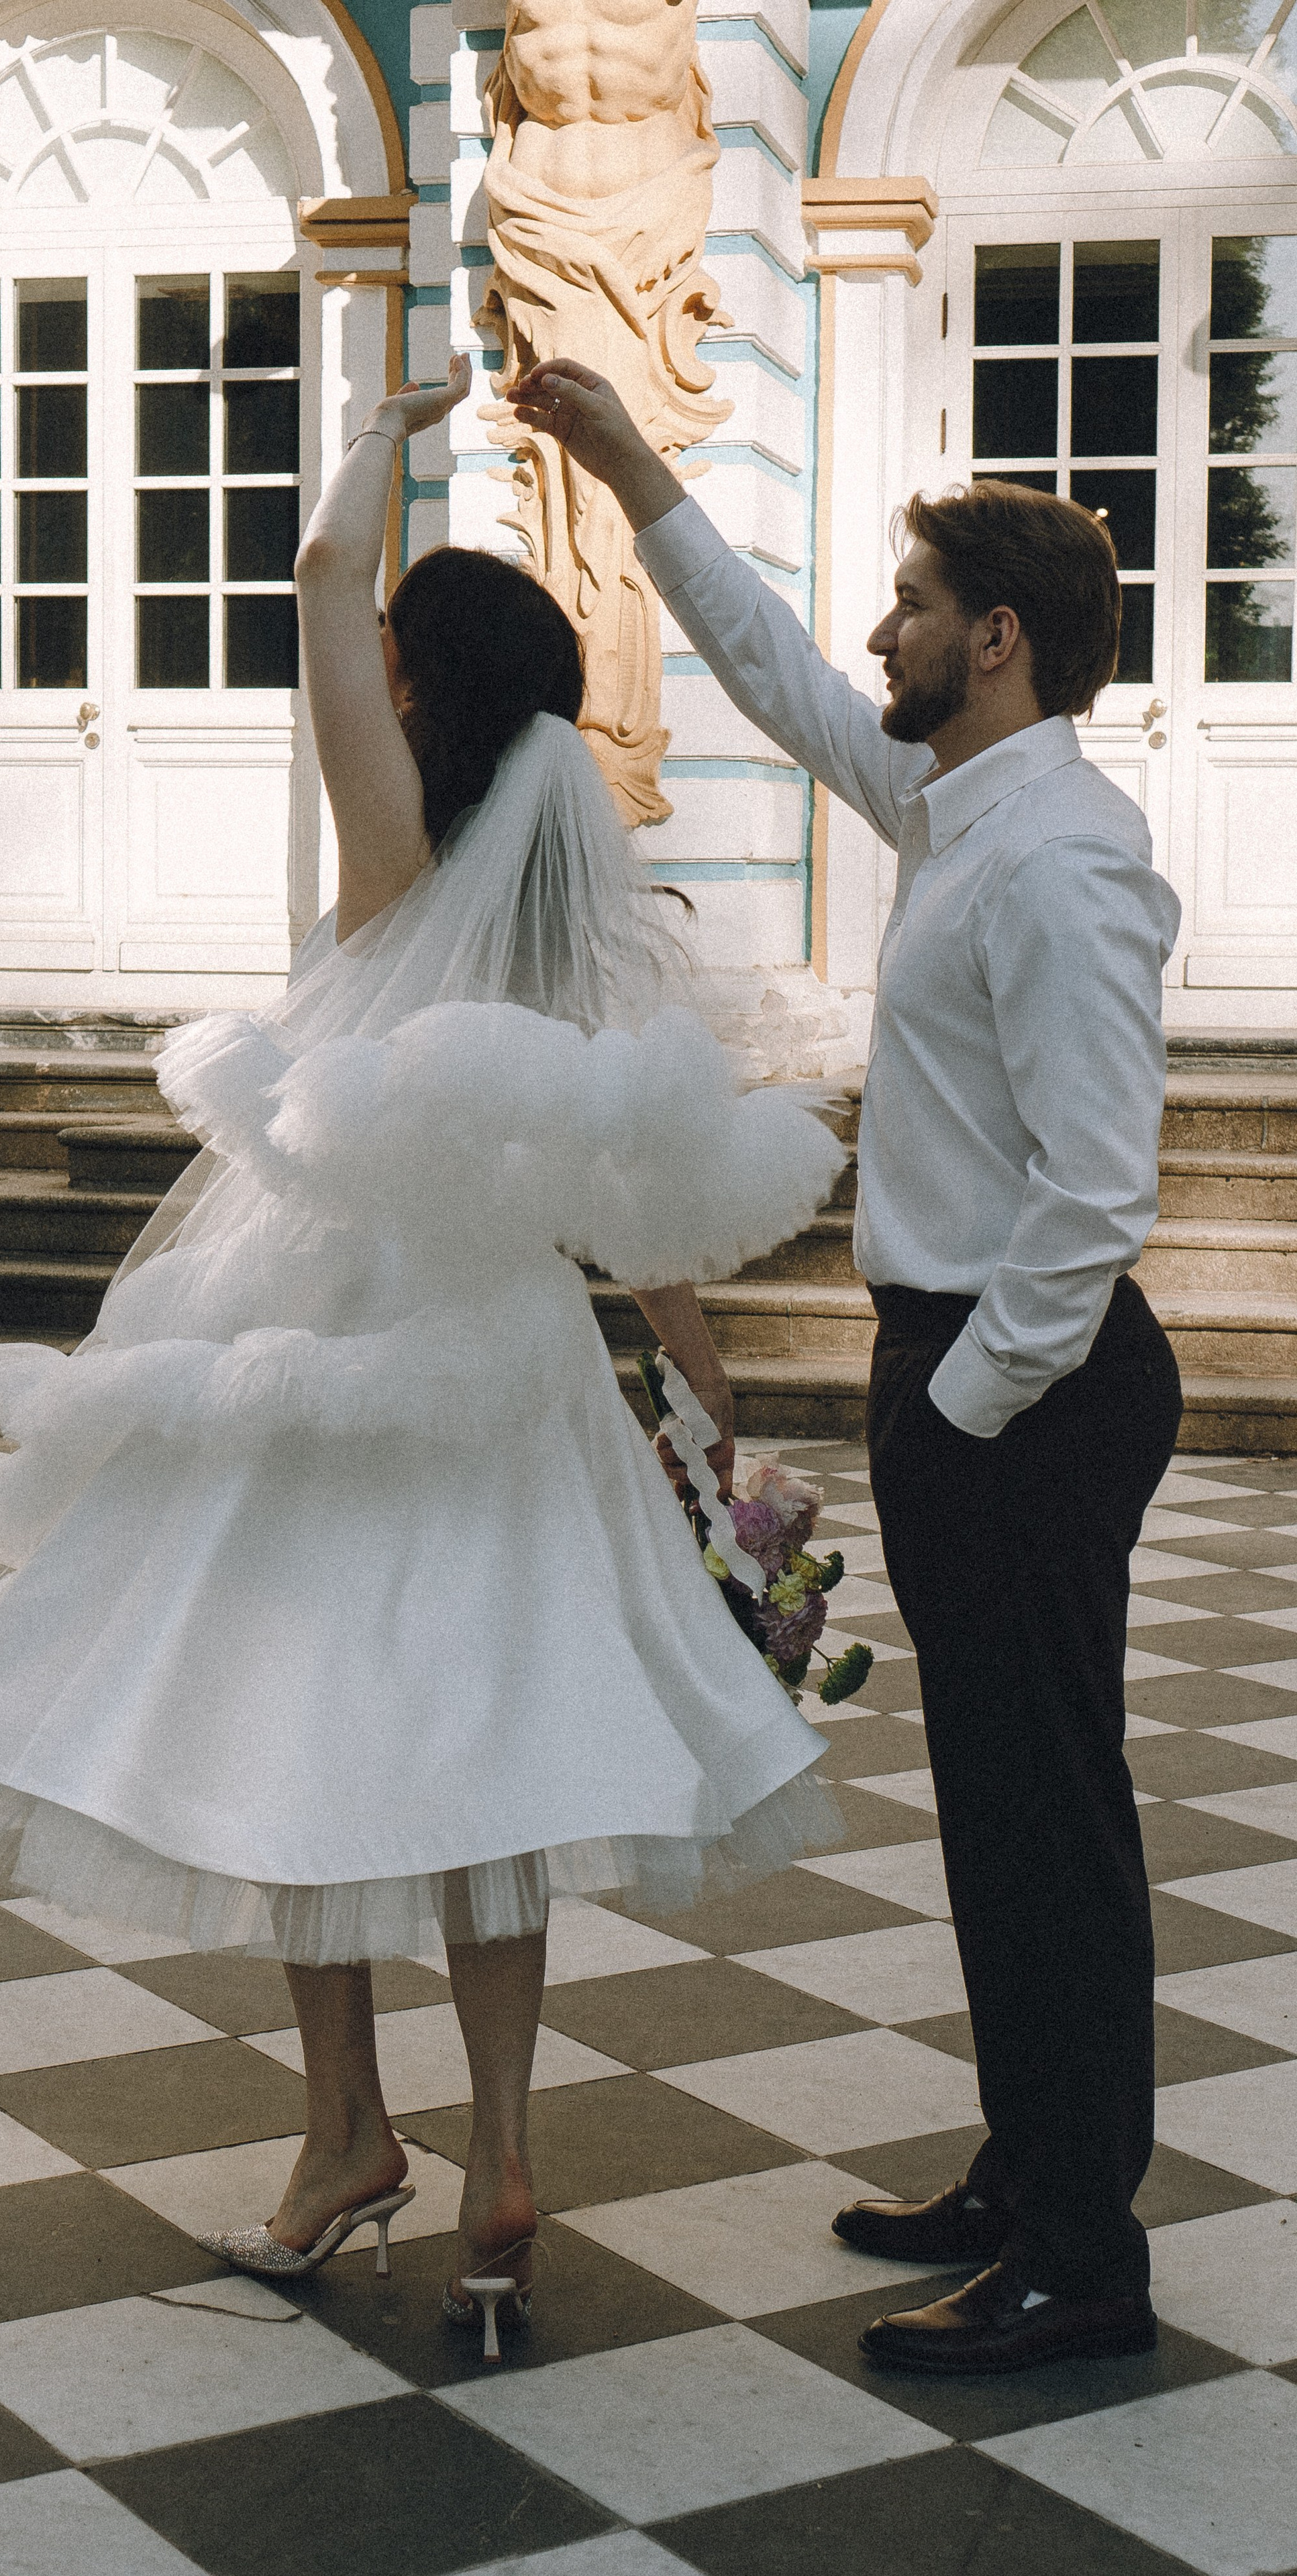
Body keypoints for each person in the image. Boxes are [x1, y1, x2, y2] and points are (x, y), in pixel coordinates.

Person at [0, 354, 847, 2355]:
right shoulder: (577, 888)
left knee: (298, 1733)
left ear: (413, 688)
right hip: (511, 1362)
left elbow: (314, 566)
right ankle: (494, 2159)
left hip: (332, 1332)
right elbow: (617, 1168)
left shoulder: (391, 848)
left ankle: (342, 2141)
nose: (363, 666)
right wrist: (693, 1360)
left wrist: (396, 422)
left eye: (387, 655)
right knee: (490, 1763)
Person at [507, 354, 1184, 2377]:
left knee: (1049, 1812)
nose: (878, 632)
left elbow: (1096, 1191)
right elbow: (785, 676)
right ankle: (1029, 2169)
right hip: (976, 1364)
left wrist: (967, 1413)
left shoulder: (1060, 858)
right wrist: (634, 474)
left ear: (994, 639)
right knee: (1003, 1805)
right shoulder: (966, 799)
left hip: (1026, 1379)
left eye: (909, 605)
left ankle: (1084, 2254)